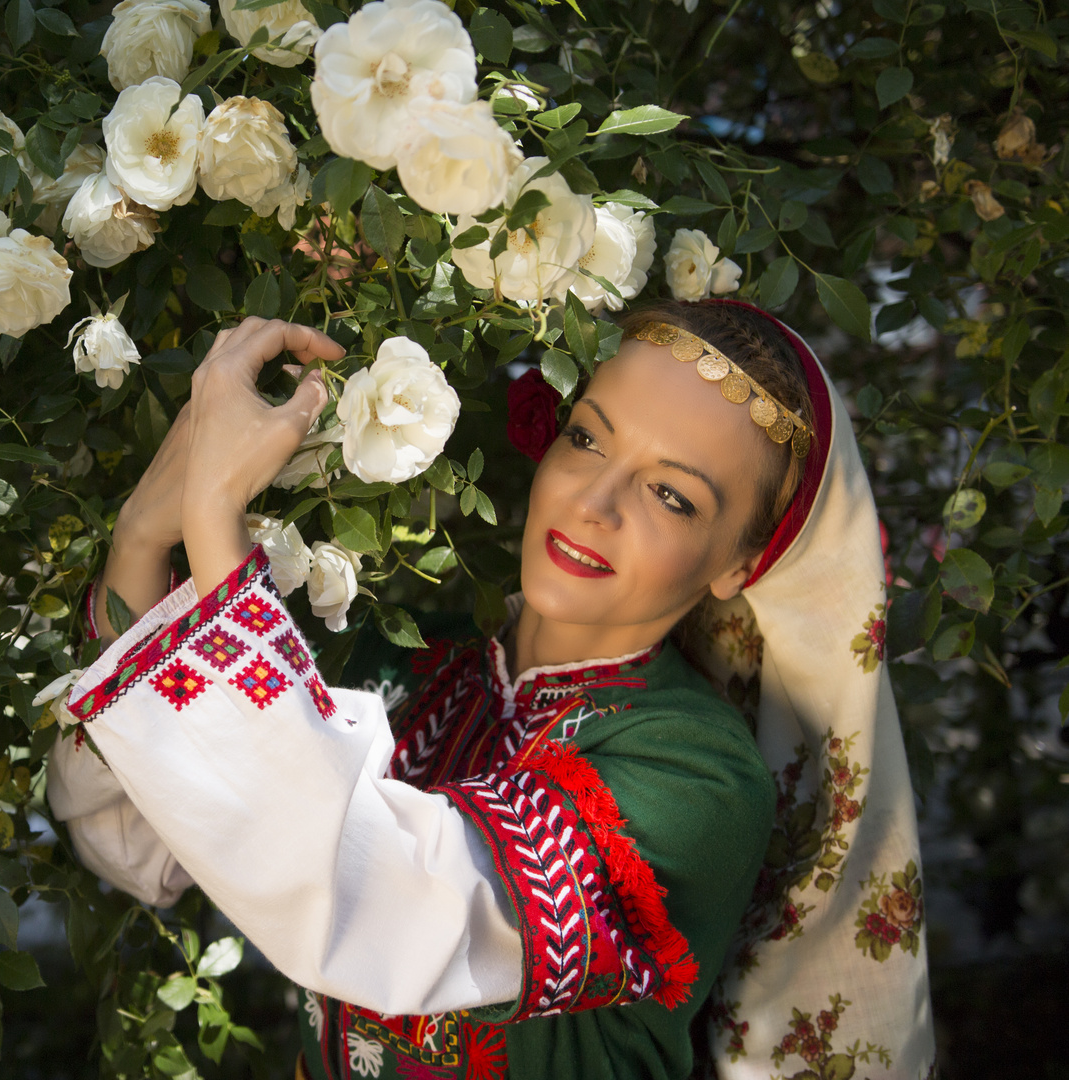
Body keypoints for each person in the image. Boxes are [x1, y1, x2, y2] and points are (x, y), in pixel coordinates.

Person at [46, 300, 935, 1080]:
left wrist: (212, 517)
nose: (597, 500)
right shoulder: (424, 665)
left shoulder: (697, 777)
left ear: (739, 564)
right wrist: (140, 537)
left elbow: (374, 901)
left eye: (672, 495)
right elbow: (139, 849)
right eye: (587, 437)